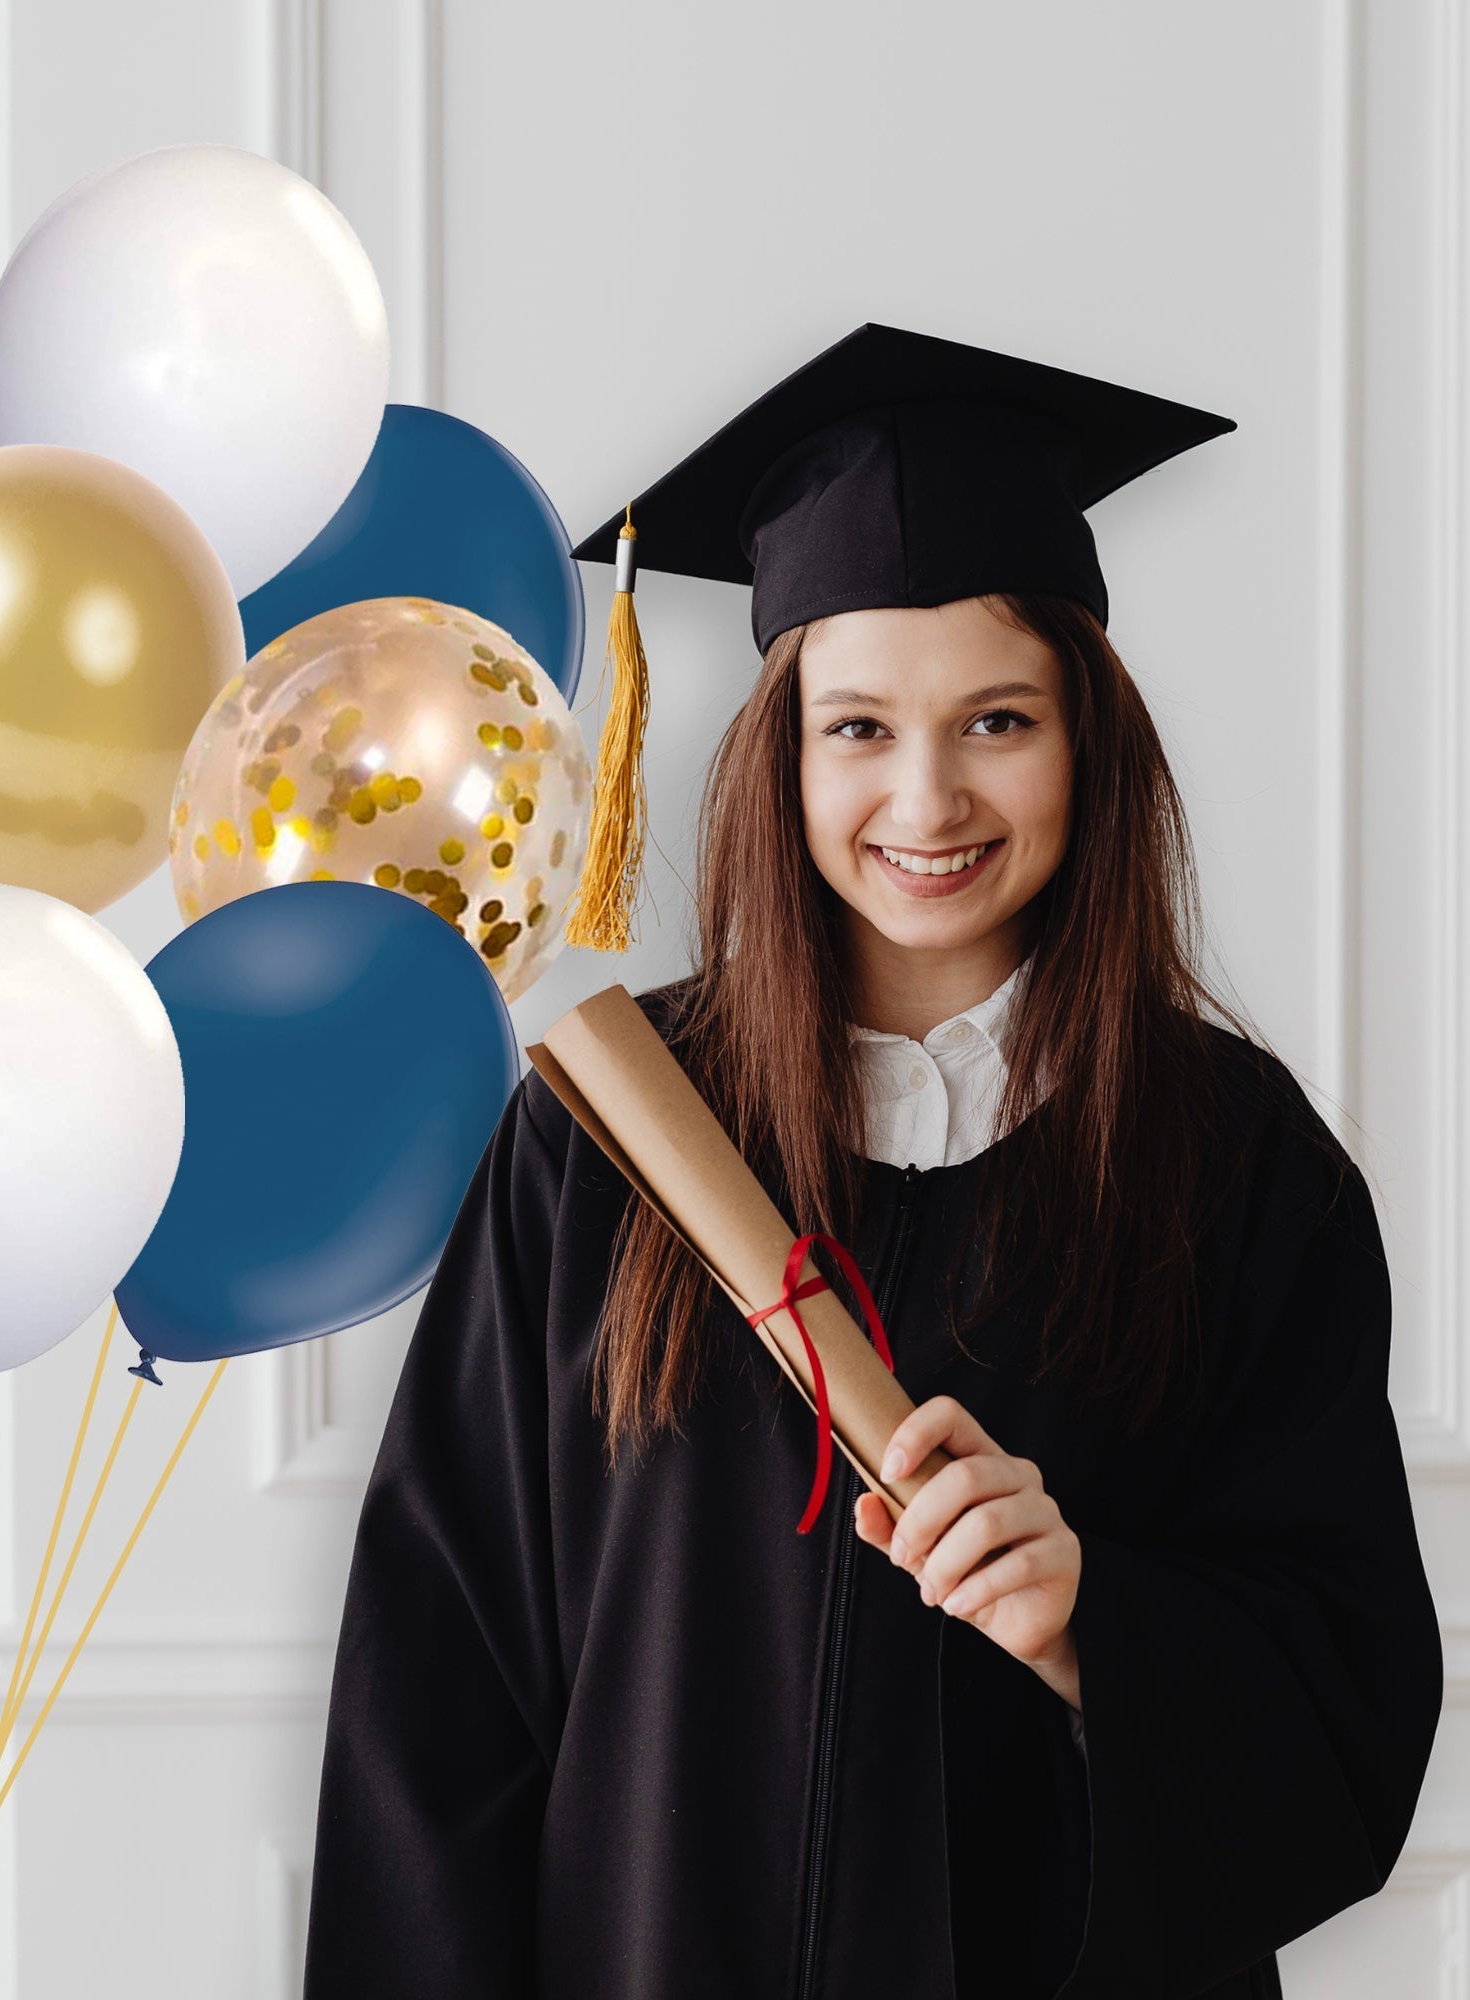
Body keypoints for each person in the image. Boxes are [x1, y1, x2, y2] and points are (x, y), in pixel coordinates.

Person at [300, 324, 1443, 1999]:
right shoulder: (606, 1140)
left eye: (997, 719)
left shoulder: (1237, 1169)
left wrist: (1089, 1626)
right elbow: (441, 1701)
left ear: (1088, 742)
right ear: (782, 752)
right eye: (857, 730)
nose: (927, 795)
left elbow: (1345, 1715)